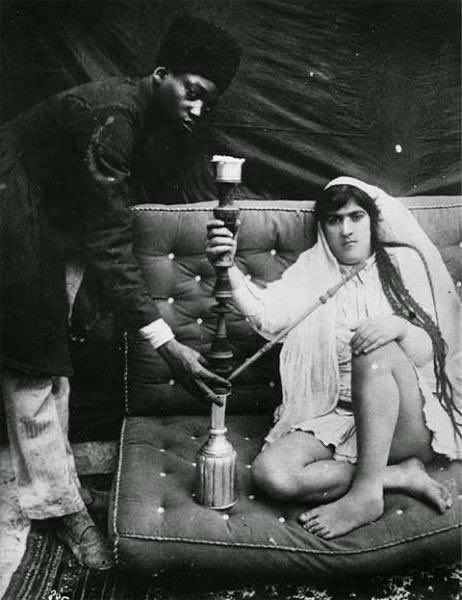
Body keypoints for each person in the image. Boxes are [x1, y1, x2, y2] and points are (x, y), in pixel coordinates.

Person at [0, 16, 241, 569]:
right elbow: (110, 244)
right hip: (10, 208)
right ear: (161, 74)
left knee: (51, 364)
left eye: (207, 101)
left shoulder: (138, 114)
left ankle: (59, 486)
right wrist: (167, 345)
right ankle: (60, 510)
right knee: (33, 367)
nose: (197, 108)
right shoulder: (114, 117)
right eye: (192, 91)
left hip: (42, 215)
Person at [206, 176, 462, 539]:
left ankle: (365, 495)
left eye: (356, 217)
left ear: (372, 221)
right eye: (334, 220)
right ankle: (396, 475)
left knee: (372, 346)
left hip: (403, 423)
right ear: (323, 228)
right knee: (272, 475)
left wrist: (400, 328)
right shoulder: (312, 270)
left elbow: (437, 351)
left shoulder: (403, 263)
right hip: (336, 414)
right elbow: (268, 317)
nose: (346, 230)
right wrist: (227, 268)